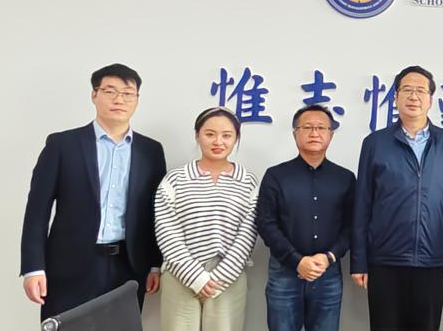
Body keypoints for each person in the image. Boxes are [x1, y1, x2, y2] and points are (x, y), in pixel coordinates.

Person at [20, 63, 167, 320]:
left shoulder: (151, 151)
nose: (119, 99)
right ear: (94, 95)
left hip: (128, 267)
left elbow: (155, 212)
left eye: (127, 93)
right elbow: (37, 211)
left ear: (137, 99)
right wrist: (33, 267)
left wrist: (155, 264)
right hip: (69, 264)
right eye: (110, 91)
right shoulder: (62, 145)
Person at [351, 65, 443, 331]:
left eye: (420, 91)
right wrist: (359, 260)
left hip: (433, 258)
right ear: (396, 97)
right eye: (407, 90)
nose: (414, 97)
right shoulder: (375, 143)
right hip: (385, 258)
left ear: (431, 99)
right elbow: (362, 204)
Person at [154, 107, 259, 331]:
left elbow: (248, 233)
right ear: (197, 135)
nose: (218, 141)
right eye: (210, 134)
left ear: (236, 138)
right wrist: (195, 277)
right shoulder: (175, 179)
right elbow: (166, 231)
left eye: (227, 135)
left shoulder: (248, 181)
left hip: (228, 277)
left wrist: (221, 276)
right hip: (180, 272)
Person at [257, 105, 356, 331]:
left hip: (327, 272)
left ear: (331, 135)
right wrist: (296, 260)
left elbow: (351, 225)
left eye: (321, 128)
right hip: (284, 272)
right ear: (295, 134)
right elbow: (266, 223)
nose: (314, 133)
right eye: (307, 127)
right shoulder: (276, 176)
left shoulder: (345, 178)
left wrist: (329, 257)